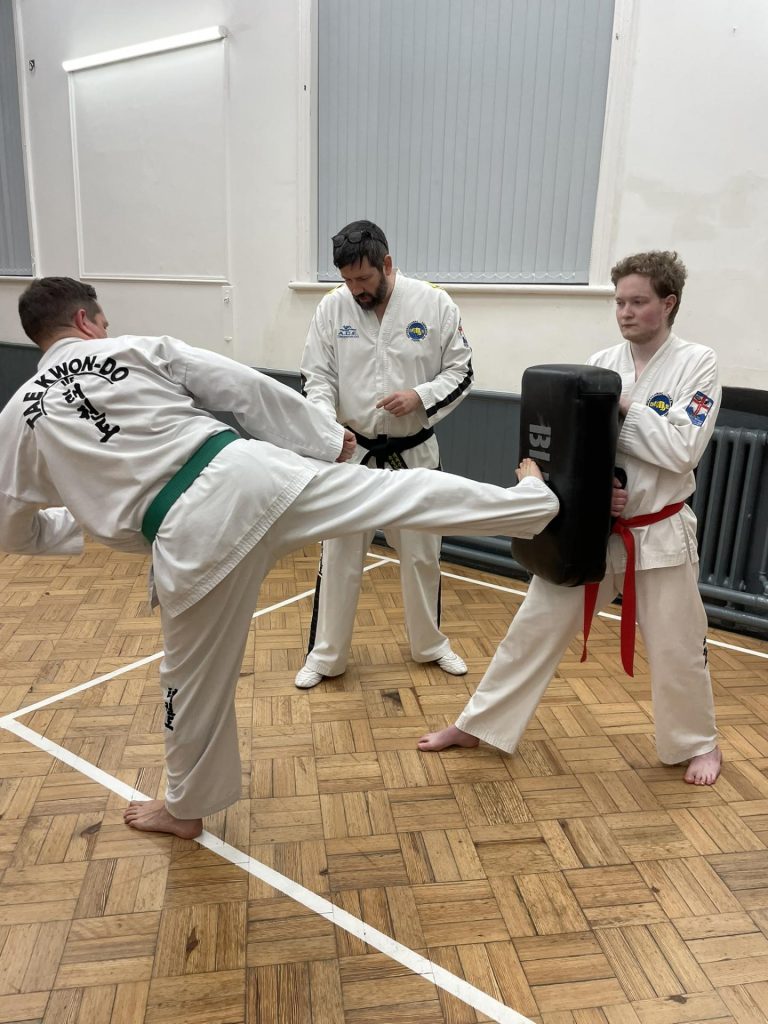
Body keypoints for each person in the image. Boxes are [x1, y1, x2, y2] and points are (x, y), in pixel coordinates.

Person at [0, 277, 559, 839]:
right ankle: (531, 505)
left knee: (189, 678)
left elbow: (11, 527)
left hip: (189, 536)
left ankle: (185, 807)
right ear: (84, 321)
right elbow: (237, 384)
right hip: (254, 473)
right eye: (101, 321)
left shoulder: (17, 415)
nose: (105, 329)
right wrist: (323, 438)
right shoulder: (134, 349)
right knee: (401, 492)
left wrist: (70, 522)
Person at [419, 251, 723, 787]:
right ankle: (478, 724)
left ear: (668, 303)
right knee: (531, 627)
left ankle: (699, 744)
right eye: (619, 302)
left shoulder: (698, 363)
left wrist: (620, 406)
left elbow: (682, 449)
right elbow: (584, 447)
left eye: (638, 302)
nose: (625, 312)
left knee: (678, 645)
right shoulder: (602, 361)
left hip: (660, 529)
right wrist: (598, 491)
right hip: (595, 529)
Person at [295, 220, 474, 690]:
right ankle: (325, 656)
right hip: (352, 456)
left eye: (364, 280)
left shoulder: (433, 303)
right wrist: (326, 426)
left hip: (412, 455)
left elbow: (462, 370)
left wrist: (420, 396)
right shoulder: (332, 309)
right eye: (348, 280)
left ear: (387, 264)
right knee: (338, 558)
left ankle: (430, 645)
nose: (356, 289)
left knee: (422, 556)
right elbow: (316, 377)